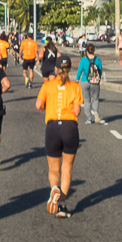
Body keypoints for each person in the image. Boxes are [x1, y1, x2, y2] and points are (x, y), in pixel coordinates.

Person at [35, 55, 81, 218]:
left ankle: (54, 188)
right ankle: (61, 205)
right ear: (69, 69)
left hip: (53, 127)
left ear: (55, 68)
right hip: (70, 128)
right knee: (67, 167)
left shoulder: (47, 86)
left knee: (54, 168)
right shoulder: (75, 86)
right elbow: (77, 111)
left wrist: (48, 105)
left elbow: (39, 105)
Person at [75, 44, 105, 125]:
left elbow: (79, 70)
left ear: (86, 51)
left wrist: (77, 79)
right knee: (95, 99)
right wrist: (98, 79)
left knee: (86, 100)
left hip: (85, 81)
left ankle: (88, 118)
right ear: (94, 50)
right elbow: (100, 71)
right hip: (95, 81)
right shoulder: (98, 60)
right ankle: (95, 113)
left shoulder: (83, 60)